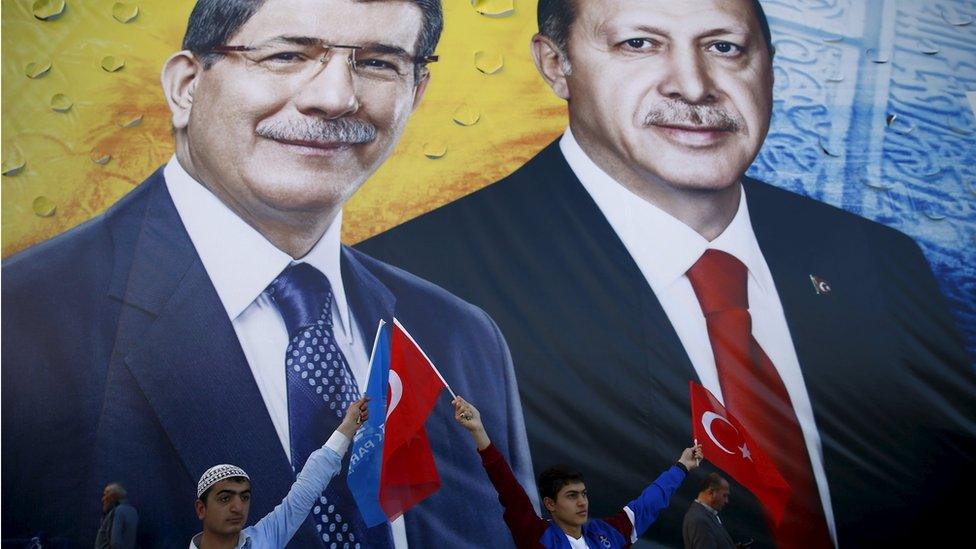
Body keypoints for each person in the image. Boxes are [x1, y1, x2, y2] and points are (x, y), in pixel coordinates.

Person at [358, 0, 976, 547]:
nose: (693, 85)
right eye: (639, 44)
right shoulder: (414, 284)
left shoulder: (878, 260)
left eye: (724, 47)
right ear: (555, 65)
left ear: (769, 64)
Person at [1, 0, 533, 546]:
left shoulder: (461, 339)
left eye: (378, 63)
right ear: (187, 86)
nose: (334, 98)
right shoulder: (18, 325)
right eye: (286, 54)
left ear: (415, 93)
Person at [453, 396, 702, 548]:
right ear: (550, 503)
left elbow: (649, 502)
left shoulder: (608, 534)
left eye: (583, 494)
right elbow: (508, 489)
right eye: (572, 496)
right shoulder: (536, 536)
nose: (582, 502)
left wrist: (681, 466)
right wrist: (479, 432)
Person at [189, 396, 367, 549]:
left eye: (244, 497)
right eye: (225, 498)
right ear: (201, 508)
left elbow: (306, 488)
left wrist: (348, 427)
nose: (237, 508)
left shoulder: (263, 538)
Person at [682, 474, 735, 549]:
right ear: (711, 492)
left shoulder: (707, 515)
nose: (726, 501)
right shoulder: (699, 520)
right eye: (724, 495)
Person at [94, 483, 138, 549]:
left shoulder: (117, 511)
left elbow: (115, 543)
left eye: (105, 494)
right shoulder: (133, 511)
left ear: (113, 496)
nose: (103, 499)